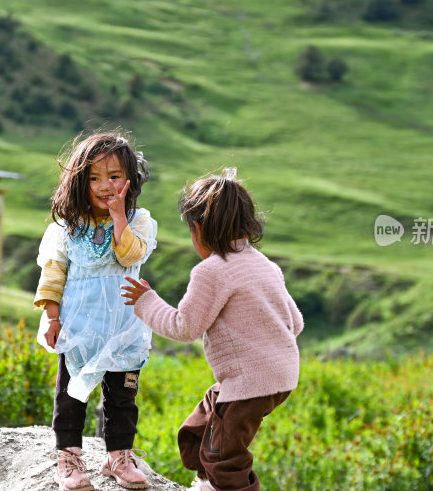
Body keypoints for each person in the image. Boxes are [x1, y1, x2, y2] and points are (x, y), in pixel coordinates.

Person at [121, 169, 303, 491]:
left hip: (250, 383)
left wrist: (146, 302)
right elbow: (296, 323)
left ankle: (219, 481)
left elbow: (184, 327)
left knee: (224, 457)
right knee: (199, 429)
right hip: (280, 376)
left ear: (199, 229)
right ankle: (205, 484)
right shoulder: (265, 265)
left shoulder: (212, 271)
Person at [34, 131, 157, 490]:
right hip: (78, 326)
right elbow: (53, 272)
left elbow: (129, 255)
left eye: (114, 176)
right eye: (94, 178)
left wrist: (119, 217)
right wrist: (52, 317)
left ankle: (118, 456)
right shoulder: (67, 227)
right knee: (70, 396)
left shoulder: (140, 221)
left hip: (124, 327)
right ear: (78, 182)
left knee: (123, 397)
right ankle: (68, 460)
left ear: (129, 180)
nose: (105, 186)